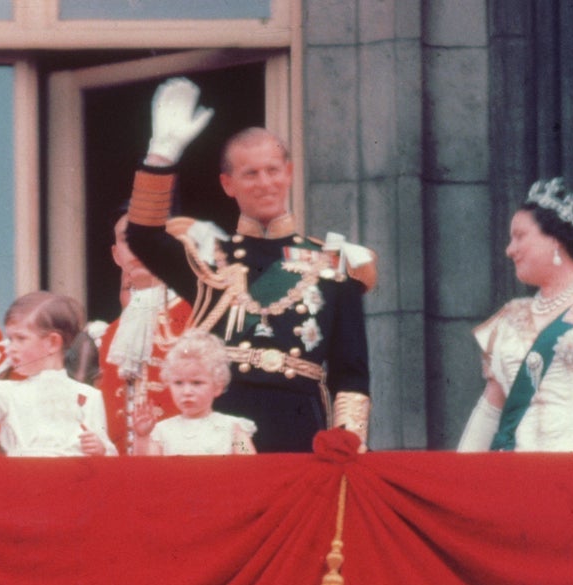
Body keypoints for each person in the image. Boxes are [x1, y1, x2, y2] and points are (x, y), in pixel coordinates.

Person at [123, 77, 374, 453]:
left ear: (288, 173)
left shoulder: (334, 264)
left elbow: (350, 372)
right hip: (219, 428)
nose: (264, 183)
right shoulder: (208, 258)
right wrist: (161, 155)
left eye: (273, 170)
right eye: (250, 173)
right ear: (228, 184)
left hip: (300, 429)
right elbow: (142, 236)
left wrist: (349, 440)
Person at [458, 177, 573, 452]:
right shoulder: (508, 318)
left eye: (519, 236)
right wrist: (456, 482)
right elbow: (490, 412)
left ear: (555, 239)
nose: (509, 249)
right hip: (523, 479)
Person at [0, 291, 117, 457]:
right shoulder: (7, 391)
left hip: (71, 478)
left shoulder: (88, 396)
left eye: (21, 339)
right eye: (11, 338)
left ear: (52, 342)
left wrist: (101, 448)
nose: (11, 347)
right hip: (22, 476)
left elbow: (105, 448)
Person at [96, 207, 191, 454]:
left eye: (148, 237)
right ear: (117, 255)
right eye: (128, 239)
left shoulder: (199, 315)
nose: (138, 248)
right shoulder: (110, 334)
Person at [133, 329, 257, 455]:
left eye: (197, 383)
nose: (187, 392)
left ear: (217, 387)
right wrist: (142, 437)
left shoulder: (233, 429)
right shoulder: (161, 431)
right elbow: (147, 470)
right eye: (178, 383)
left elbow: (249, 465)